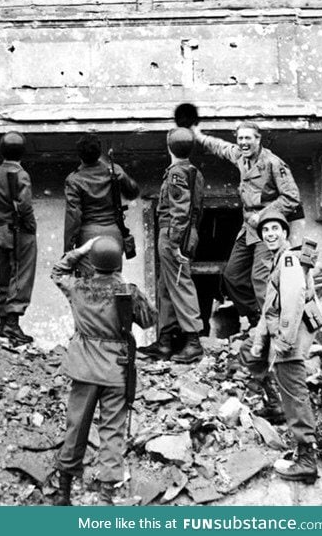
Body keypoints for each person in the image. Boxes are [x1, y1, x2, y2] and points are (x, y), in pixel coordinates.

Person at [51, 235, 141, 506]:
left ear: (93, 261)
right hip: (117, 370)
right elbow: (148, 320)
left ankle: (64, 494)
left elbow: (57, 272)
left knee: (76, 428)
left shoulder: (78, 287)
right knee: (112, 433)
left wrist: (81, 250)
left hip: (84, 370)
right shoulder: (129, 291)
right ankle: (105, 499)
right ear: (118, 262)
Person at [192, 121, 301, 326]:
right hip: (248, 227)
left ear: (257, 139)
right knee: (232, 276)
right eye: (240, 138)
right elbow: (221, 147)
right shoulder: (241, 156)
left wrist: (263, 216)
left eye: (248, 138)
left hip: (267, 228)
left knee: (260, 278)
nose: (243, 142)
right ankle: (256, 318)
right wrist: (198, 135)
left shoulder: (273, 163)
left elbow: (292, 197)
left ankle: (272, 326)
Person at [243, 209, 322, 484]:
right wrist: (258, 343)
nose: (270, 234)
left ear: (285, 233)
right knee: (249, 356)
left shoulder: (287, 259)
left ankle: (307, 459)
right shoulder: (279, 258)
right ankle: (275, 406)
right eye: (266, 230)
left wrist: (284, 342)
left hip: (290, 336)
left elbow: (293, 301)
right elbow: (269, 308)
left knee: (295, 394)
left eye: (276, 229)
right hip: (283, 334)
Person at [139, 128, 205, 364]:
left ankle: (193, 342)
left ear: (169, 147)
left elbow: (181, 209)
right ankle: (165, 341)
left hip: (173, 232)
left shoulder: (177, 172)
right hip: (184, 231)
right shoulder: (191, 171)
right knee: (166, 284)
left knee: (179, 282)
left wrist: (176, 241)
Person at [0, 131, 37, 343]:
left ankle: (3, 322)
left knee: (5, 277)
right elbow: (25, 206)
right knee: (21, 276)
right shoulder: (21, 174)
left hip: (0, 231)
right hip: (18, 231)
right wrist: (31, 227)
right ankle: (12, 325)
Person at [64, 132, 138, 274]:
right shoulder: (114, 170)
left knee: (90, 287)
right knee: (113, 281)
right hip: (114, 234)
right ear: (99, 153)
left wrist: (67, 250)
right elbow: (133, 192)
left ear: (79, 155)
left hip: (88, 237)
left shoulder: (74, 179)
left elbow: (73, 217)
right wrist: (122, 178)